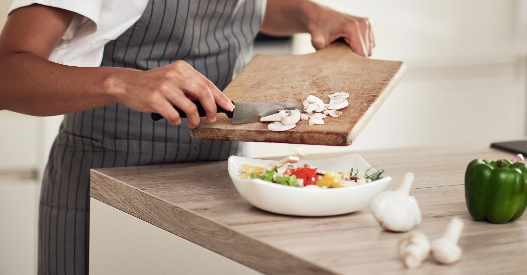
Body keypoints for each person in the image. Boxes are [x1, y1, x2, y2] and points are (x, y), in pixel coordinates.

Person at [0, 0, 374, 274]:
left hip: (221, 185)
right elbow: (7, 73)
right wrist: (122, 82)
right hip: (108, 181)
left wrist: (309, 13)